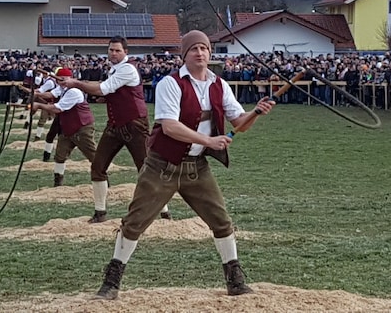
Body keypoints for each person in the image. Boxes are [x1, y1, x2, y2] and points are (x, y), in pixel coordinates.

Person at [94, 30, 275, 300]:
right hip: (162, 166)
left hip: (196, 167)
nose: (200, 53)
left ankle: (235, 279)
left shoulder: (219, 85)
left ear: (210, 53)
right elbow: (169, 127)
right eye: (194, 49)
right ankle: (112, 281)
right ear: (185, 54)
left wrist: (256, 112)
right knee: (134, 223)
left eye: (204, 48)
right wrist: (209, 140)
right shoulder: (171, 83)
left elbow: (239, 124)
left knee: (222, 222)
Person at [58, 35, 171, 223]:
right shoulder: (115, 70)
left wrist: (76, 83)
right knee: (98, 166)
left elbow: (103, 88)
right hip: (115, 125)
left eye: (117, 50)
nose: (113, 53)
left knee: (146, 168)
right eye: (111, 50)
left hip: (134, 125)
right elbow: (105, 89)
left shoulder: (127, 69)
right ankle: (100, 212)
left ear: (125, 52)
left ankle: (164, 212)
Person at [31, 68, 97, 187]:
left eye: (64, 79)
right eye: (59, 79)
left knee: (93, 156)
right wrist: (37, 94)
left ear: (70, 79)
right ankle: (58, 184)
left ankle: (103, 180)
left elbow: (58, 108)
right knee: (59, 157)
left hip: (81, 128)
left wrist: (39, 105)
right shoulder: (62, 89)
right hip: (67, 128)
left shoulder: (74, 91)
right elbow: (50, 94)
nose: (61, 81)